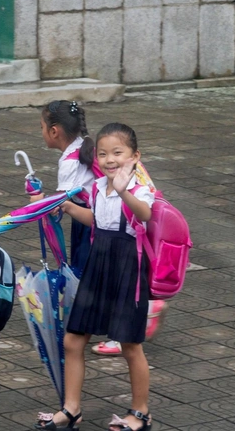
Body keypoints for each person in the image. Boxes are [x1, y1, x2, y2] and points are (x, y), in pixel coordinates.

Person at [35, 123, 154, 431]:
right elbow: (98, 221)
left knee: (130, 344)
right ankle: (71, 409)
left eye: (118, 152)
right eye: (103, 154)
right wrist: (65, 206)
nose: (109, 159)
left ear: (135, 156)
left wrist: (124, 188)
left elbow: (143, 214)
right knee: (74, 340)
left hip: (128, 268)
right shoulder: (98, 188)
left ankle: (141, 413)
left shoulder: (140, 188)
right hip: (98, 265)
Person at [35, 100, 95, 272]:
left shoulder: (69, 162)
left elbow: (57, 206)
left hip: (87, 224)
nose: (41, 132)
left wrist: (37, 199)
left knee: (84, 274)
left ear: (54, 131)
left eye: (42, 127)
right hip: (91, 217)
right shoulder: (84, 147)